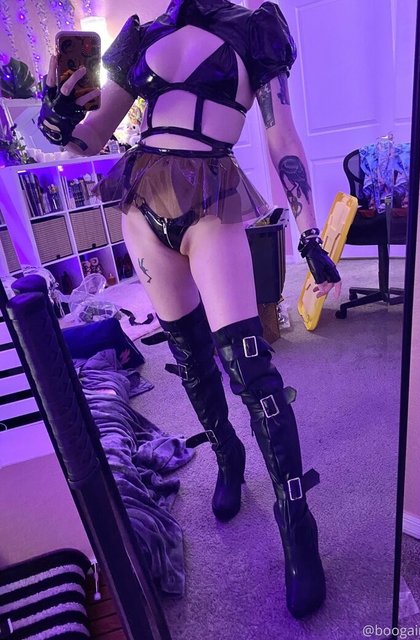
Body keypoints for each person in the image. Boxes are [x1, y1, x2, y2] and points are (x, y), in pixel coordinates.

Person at [38, 0, 341, 619]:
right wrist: (57, 113)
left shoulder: (256, 27)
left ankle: (296, 520)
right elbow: (88, 139)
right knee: (188, 354)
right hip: (140, 200)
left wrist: (309, 232)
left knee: (251, 369)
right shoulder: (142, 36)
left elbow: (281, 135)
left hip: (211, 197)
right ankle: (227, 453)